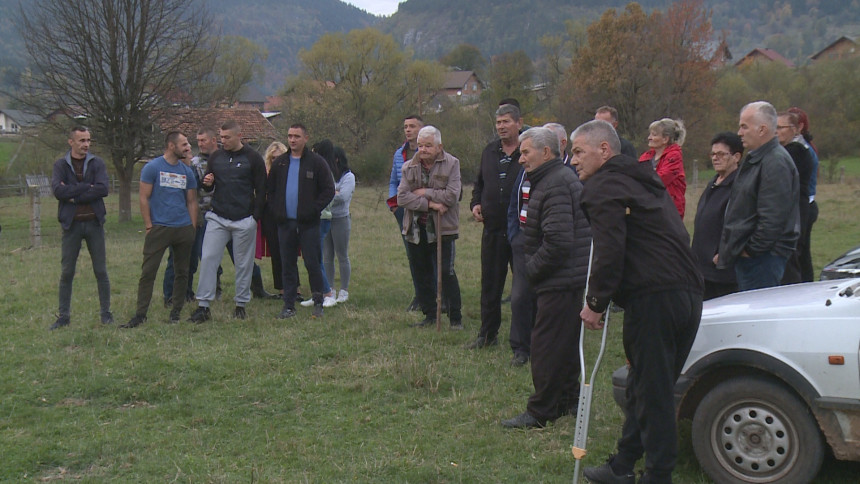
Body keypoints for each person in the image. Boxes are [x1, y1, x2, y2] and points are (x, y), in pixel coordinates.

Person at [570, 120, 703, 484]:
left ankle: (658, 475)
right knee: (645, 384)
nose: (573, 160)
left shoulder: (602, 186)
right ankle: (623, 464)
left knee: (655, 391)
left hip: (655, 296)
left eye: (579, 152)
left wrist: (595, 302)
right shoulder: (645, 180)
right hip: (689, 293)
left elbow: (609, 251)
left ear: (604, 150)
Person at [500, 127, 591, 429]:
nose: (521, 158)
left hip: (560, 280)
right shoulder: (553, 180)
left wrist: (531, 269)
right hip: (564, 279)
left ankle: (541, 411)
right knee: (563, 343)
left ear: (546, 153)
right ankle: (566, 400)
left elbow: (559, 241)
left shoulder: (554, 184)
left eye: (526, 152)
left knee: (546, 345)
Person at [188, 120, 267, 322]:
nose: (223, 141)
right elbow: (207, 185)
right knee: (208, 259)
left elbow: (262, 190)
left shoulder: (253, 158)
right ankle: (203, 306)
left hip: (244, 219)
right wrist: (207, 183)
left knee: (243, 264)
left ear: (239, 136)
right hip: (218, 216)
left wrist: (254, 218)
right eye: (221, 138)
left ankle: (240, 305)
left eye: (227, 137)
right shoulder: (216, 157)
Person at [716, 101, 800, 291]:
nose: (739, 132)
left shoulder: (775, 162)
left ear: (762, 129)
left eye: (744, 126)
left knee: (758, 314)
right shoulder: (757, 158)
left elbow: (773, 218)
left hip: (764, 260)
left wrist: (750, 250)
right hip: (755, 258)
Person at [121, 132, 198, 328]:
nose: (187, 147)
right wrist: (149, 224)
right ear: (171, 146)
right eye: (183, 144)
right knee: (148, 272)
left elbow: (191, 201)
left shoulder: (187, 172)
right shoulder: (152, 168)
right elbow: (143, 197)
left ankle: (176, 311)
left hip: (183, 228)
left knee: (182, 272)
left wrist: (192, 227)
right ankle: (140, 314)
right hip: (159, 228)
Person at [467, 103, 522, 350]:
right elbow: (479, 182)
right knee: (490, 285)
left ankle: (522, 342)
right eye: (498, 122)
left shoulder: (528, 150)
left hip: (521, 231)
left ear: (519, 124)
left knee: (522, 289)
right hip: (492, 230)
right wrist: (475, 203)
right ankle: (487, 335)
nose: (501, 126)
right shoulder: (489, 151)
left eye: (506, 122)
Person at [267, 123, 335, 319]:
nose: (292, 140)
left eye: (296, 136)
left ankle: (318, 302)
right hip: (285, 223)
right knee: (287, 264)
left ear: (305, 138)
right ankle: (289, 305)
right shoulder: (280, 163)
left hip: (308, 224)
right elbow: (270, 191)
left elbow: (328, 190)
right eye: (289, 136)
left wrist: (313, 209)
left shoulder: (316, 162)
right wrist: (276, 210)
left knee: (312, 263)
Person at [397, 125, 462, 329]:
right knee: (421, 272)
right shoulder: (408, 166)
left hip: (443, 229)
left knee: (446, 272)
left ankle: (455, 317)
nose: (423, 150)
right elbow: (402, 197)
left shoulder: (452, 164)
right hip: (416, 229)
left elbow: (452, 195)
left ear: (439, 146)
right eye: (420, 145)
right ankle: (430, 315)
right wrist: (431, 204)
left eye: (428, 145)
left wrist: (424, 191)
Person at [50, 126, 113, 329]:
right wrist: (88, 187)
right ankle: (64, 316)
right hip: (72, 225)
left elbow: (103, 188)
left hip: (94, 223)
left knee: (101, 271)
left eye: (88, 140)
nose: (86, 144)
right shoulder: (60, 164)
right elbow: (58, 191)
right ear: (71, 142)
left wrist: (73, 195)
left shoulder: (97, 163)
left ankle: (106, 313)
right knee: (67, 272)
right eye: (81, 141)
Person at [161, 127, 216, 307]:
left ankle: (187, 292)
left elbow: (196, 194)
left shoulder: (190, 170)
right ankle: (170, 295)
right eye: (185, 146)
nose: (189, 150)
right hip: (177, 220)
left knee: (191, 260)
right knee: (176, 260)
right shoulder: (168, 171)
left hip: (196, 219)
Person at [692, 132, 742, 300]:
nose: (715, 158)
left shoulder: (739, 186)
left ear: (736, 157)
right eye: (713, 154)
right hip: (702, 266)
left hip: (721, 270)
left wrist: (722, 252)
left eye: (721, 154)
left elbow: (738, 223)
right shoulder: (714, 182)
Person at [389, 115, 425, 312]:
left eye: (412, 126)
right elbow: (393, 181)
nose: (408, 130)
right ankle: (419, 294)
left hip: (424, 208)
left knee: (429, 253)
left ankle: (438, 293)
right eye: (405, 126)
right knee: (412, 254)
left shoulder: (429, 151)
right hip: (403, 210)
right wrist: (393, 205)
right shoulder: (399, 154)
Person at [776, 111, 814, 284]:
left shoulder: (797, 151)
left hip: (797, 210)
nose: (775, 131)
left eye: (780, 127)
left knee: (793, 255)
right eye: (774, 127)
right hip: (794, 209)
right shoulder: (787, 150)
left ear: (794, 129)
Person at [300, 139, 338, 308]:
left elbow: (328, 196)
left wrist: (313, 208)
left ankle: (327, 293)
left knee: (316, 258)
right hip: (309, 218)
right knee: (311, 257)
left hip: (321, 218)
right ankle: (318, 292)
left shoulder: (323, 171)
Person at [788, 106, 819, 282]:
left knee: (801, 254)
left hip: (806, 204)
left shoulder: (801, 149)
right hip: (807, 203)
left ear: (799, 127)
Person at [639, 118, 687, 218]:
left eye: (654, 135)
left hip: (669, 211)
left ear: (665, 139)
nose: (649, 138)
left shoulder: (675, 156)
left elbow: (660, 179)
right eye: (650, 134)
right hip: (648, 208)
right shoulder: (646, 156)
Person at [324, 146, 355, 303]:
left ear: (336, 159)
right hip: (325, 219)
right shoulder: (327, 175)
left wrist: (327, 193)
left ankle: (344, 289)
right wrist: (332, 193)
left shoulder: (348, 177)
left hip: (341, 219)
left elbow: (342, 197)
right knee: (327, 256)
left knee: (342, 254)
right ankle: (329, 288)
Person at [260, 141, 287, 298]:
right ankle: (281, 289)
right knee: (276, 253)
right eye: (273, 158)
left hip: (286, 214)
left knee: (288, 252)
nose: (276, 161)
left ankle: (293, 287)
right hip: (269, 216)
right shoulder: (265, 173)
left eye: (279, 157)